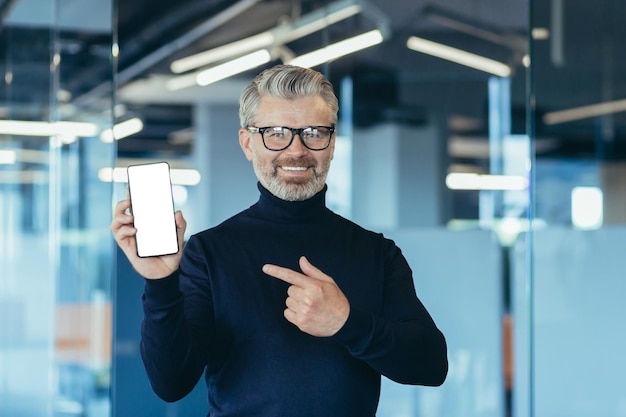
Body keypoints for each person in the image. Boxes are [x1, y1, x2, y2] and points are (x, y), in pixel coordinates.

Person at [111, 64, 448, 417]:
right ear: (247, 143)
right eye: (275, 132)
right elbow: (171, 383)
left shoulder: (377, 253)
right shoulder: (208, 252)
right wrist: (161, 282)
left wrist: (346, 322)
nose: (296, 150)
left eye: (314, 132)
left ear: (332, 143)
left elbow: (431, 366)